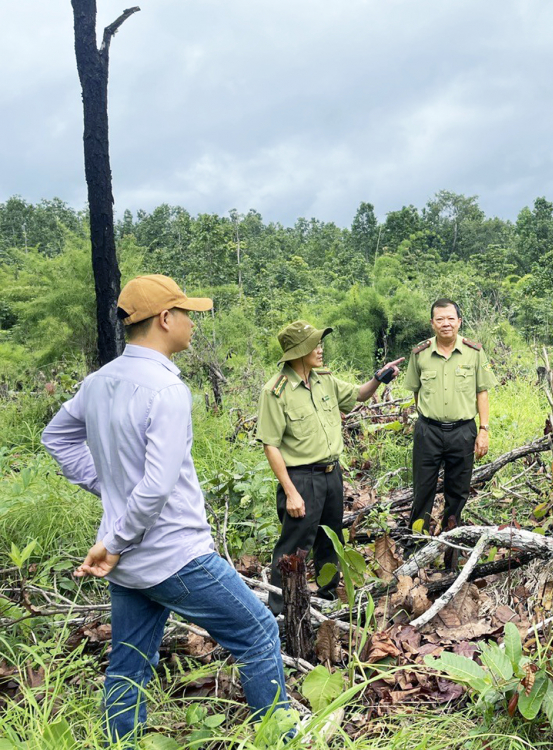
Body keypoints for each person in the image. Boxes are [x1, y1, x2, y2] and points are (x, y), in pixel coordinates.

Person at [42, 275, 288, 744]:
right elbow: (155, 488)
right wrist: (115, 538)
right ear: (165, 318)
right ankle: (282, 737)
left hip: (129, 563)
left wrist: (108, 489)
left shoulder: (98, 383)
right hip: (174, 555)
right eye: (188, 314)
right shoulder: (166, 390)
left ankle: (122, 742)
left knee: (129, 662)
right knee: (257, 633)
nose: (193, 325)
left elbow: (56, 438)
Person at [256, 320, 403, 614]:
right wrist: (291, 491)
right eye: (315, 345)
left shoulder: (324, 379)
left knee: (329, 541)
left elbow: (359, 395)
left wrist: (379, 377)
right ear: (299, 351)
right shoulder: (275, 391)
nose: (320, 349)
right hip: (301, 479)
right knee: (292, 549)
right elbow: (270, 444)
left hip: (331, 475)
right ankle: (280, 613)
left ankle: (326, 602)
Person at [403, 299, 497, 544]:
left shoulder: (474, 352)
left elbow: (482, 392)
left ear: (459, 322)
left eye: (450, 319)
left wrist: (483, 430)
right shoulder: (420, 353)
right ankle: (415, 546)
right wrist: (427, 416)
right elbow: (416, 390)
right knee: (422, 491)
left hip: (463, 431)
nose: (446, 324)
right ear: (432, 323)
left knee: (458, 493)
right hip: (428, 432)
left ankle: (450, 549)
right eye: (440, 319)